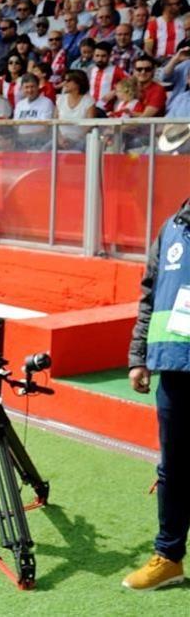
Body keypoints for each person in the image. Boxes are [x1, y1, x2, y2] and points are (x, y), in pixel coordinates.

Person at [125, 196, 190, 591]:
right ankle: (169, 558)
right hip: (175, 368)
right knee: (174, 470)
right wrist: (139, 357)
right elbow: (150, 294)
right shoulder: (172, 227)